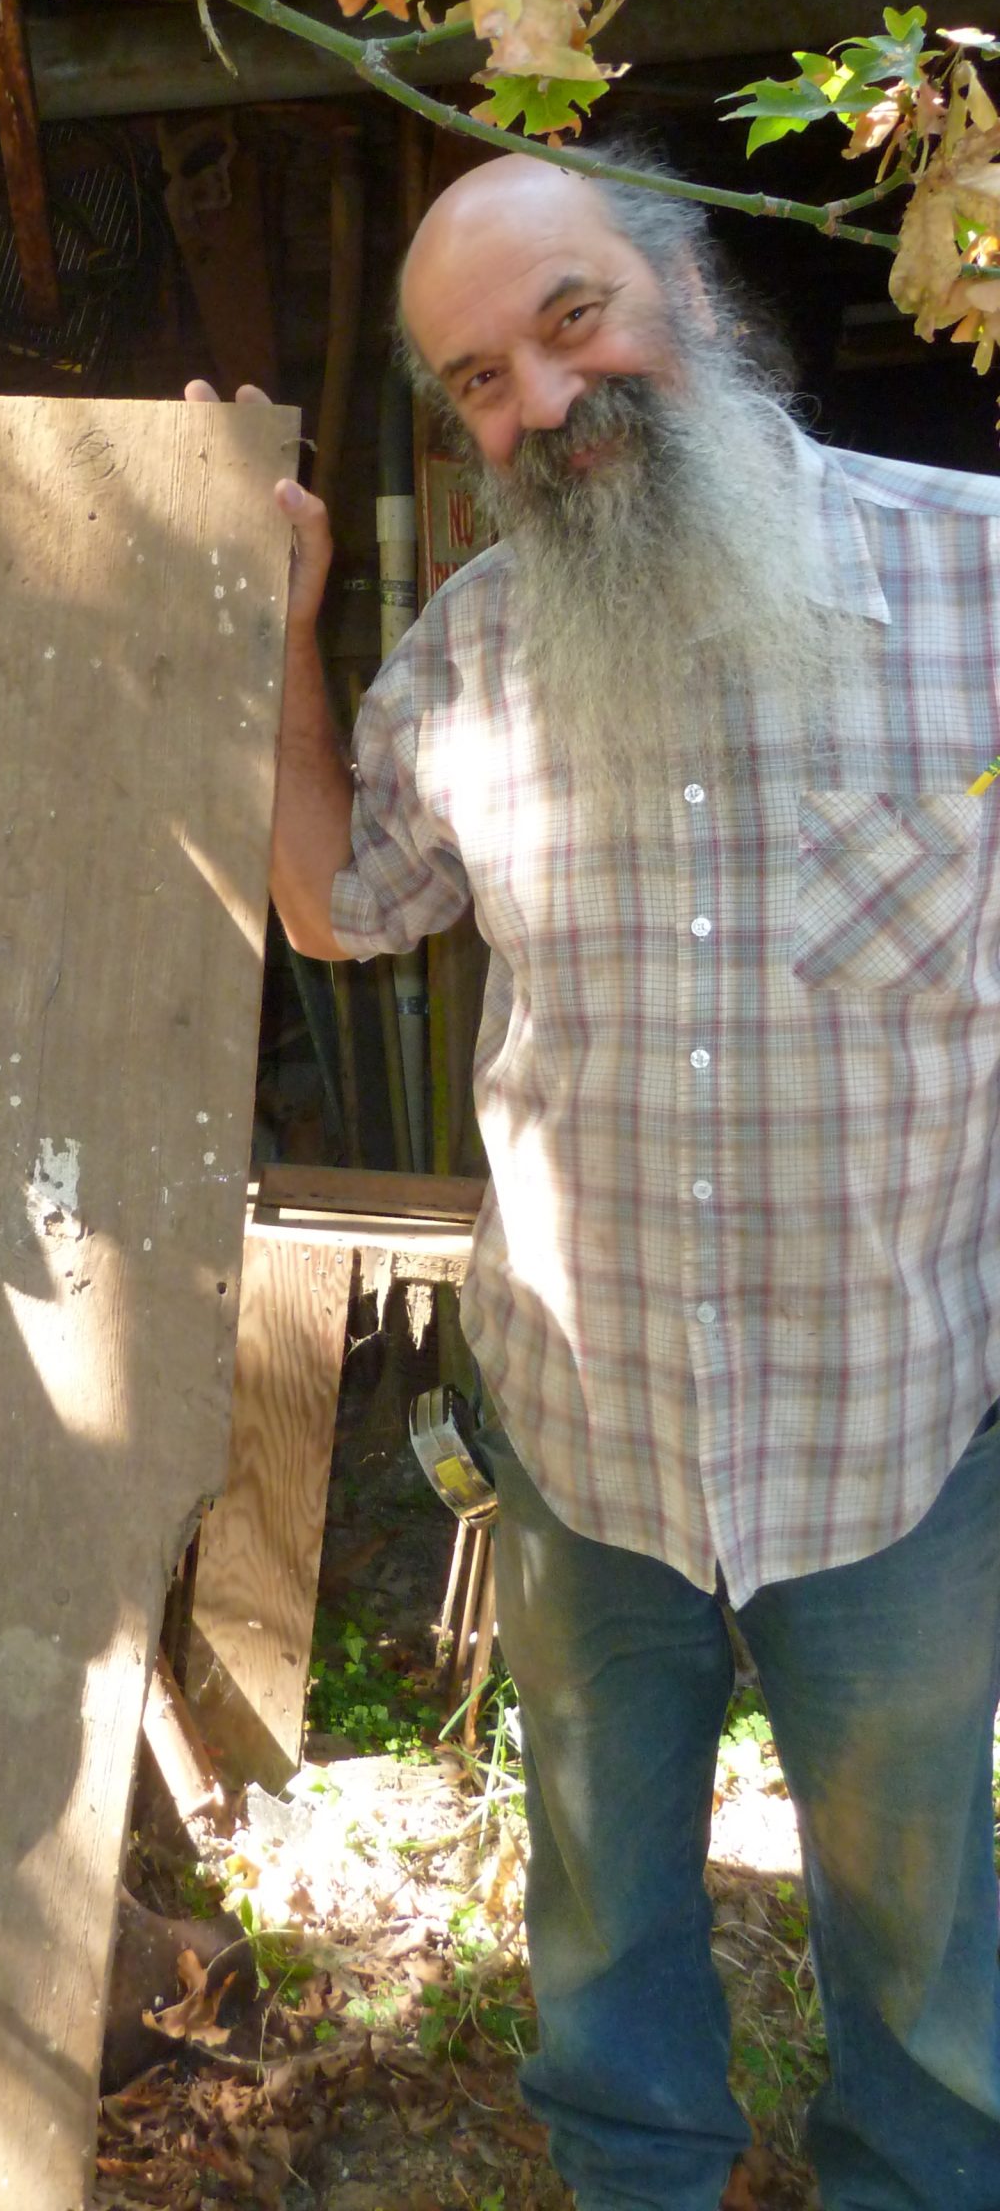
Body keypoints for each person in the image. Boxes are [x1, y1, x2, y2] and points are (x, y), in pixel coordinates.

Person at [245, 148, 1000, 2211]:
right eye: (483, 382)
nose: (547, 402)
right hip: (590, 1445)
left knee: (932, 1980)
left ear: (688, 285)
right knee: (600, 1965)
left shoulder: (975, 582)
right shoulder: (479, 647)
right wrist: (286, 638)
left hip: (895, 1437)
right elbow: (333, 903)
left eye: (572, 321)